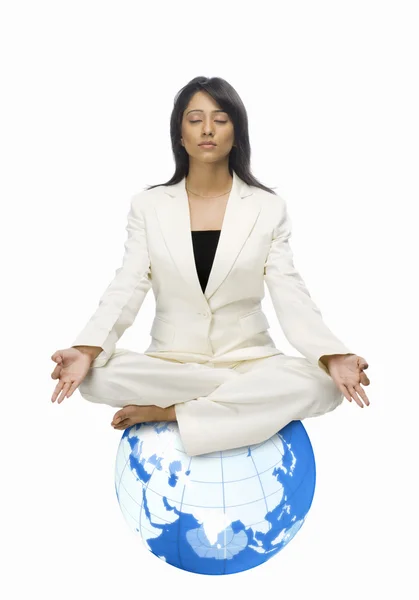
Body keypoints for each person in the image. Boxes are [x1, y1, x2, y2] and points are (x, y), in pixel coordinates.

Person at [50, 76, 370, 457]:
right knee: (95, 378)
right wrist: (87, 349)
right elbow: (128, 283)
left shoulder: (267, 208)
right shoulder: (148, 206)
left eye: (220, 119)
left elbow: (290, 292)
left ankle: (172, 412)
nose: (207, 129)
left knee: (323, 384)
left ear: (236, 134)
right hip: (172, 360)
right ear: (180, 135)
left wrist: (334, 357)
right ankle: (236, 402)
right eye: (195, 119)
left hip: (248, 359)